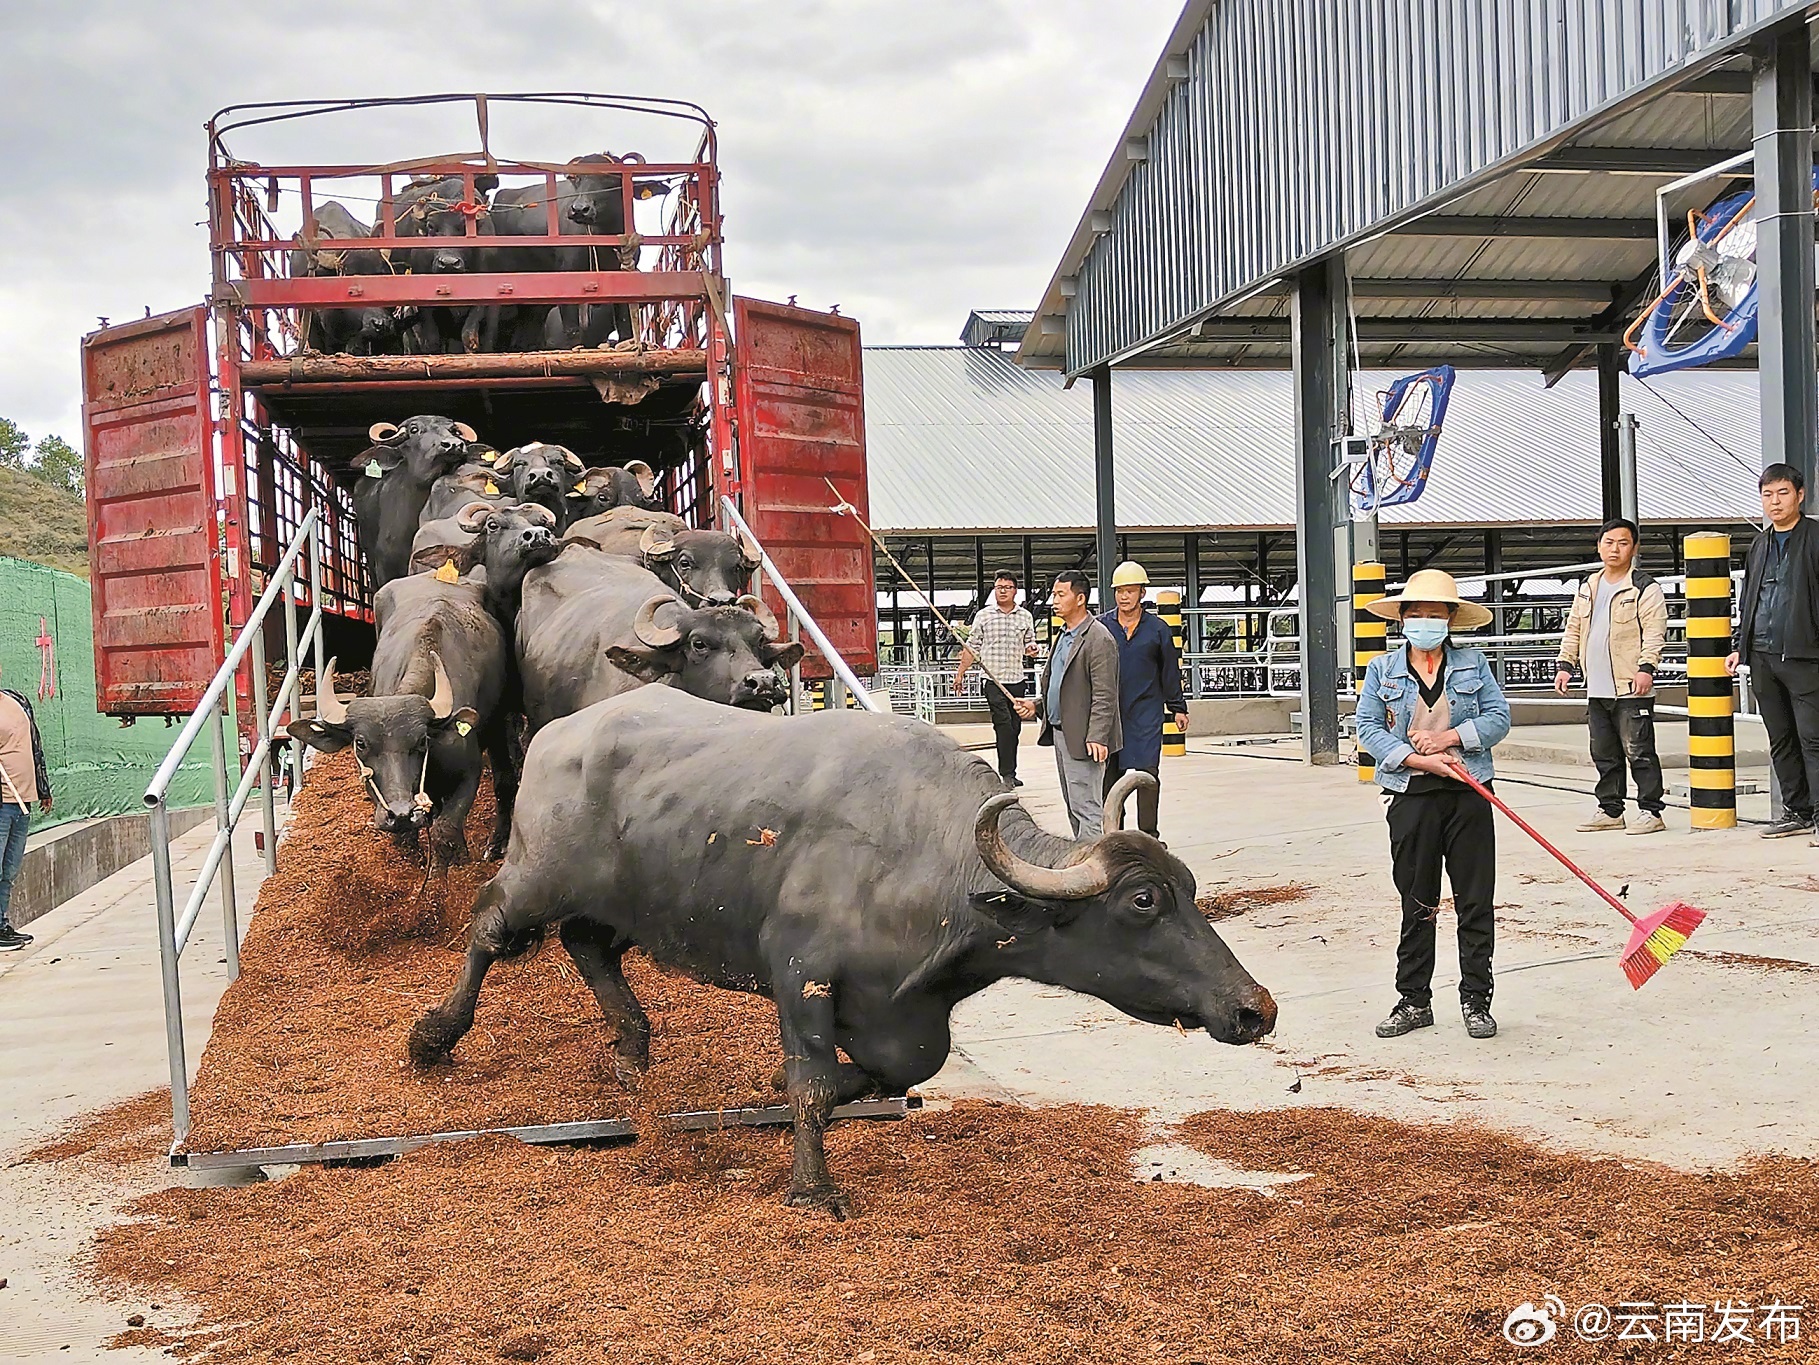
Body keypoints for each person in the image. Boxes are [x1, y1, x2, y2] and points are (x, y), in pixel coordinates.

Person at [1354, 569, 1511, 1041]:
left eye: (1435, 614)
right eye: (1417, 614)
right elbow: (1367, 728)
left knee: (1475, 900)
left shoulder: (1473, 664)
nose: (1426, 622)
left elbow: (1498, 717)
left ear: (1451, 620)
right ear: (1402, 619)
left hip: (1469, 793)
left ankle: (1476, 1001)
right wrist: (1419, 761)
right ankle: (1414, 999)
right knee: (1417, 901)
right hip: (1412, 796)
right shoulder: (1383, 669)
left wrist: (1449, 739)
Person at [1553, 518, 1669, 835]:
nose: (1614, 549)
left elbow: (1655, 633)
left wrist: (1647, 668)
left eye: (1622, 542)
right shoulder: (1588, 587)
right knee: (1604, 753)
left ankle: (1651, 811)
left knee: (1639, 751)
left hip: (1631, 686)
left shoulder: (1645, 587)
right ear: (1599, 546)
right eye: (1608, 542)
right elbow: (1574, 629)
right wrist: (1565, 664)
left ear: (1634, 548)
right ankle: (1610, 809)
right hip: (1598, 687)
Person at [1726, 462, 1819, 843]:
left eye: (1782, 493)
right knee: (1781, 738)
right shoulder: (1760, 543)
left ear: (1800, 495)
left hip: (1804, 654)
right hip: (1762, 654)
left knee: (1813, 738)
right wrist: (1739, 645)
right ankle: (1795, 810)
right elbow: (1750, 598)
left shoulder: (1815, 537)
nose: (1775, 502)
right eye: (1767, 494)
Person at [1014, 570, 1121, 838]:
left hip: (1085, 738)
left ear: (1080, 598)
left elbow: (1105, 694)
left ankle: (1094, 869)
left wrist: (1097, 736)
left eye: (1061, 594)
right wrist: (1038, 706)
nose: (1054, 600)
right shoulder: (1064, 634)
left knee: (1087, 808)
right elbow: (1063, 684)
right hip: (1062, 732)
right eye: (1054, 594)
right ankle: (1081, 859)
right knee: (1074, 806)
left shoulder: (1098, 638)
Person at [1097, 560, 1189, 840]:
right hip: (1111, 713)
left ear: (1142, 593)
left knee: (1148, 774)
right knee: (1110, 778)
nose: (1124, 597)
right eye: (1120, 591)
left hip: (1147, 711)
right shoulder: (1102, 626)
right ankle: (1114, 836)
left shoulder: (1158, 629)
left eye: (1130, 591)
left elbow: (1170, 670)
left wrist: (1177, 707)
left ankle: (1149, 836)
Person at [952, 569, 1039, 787]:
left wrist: (1032, 649)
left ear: (1015, 591)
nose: (1002, 592)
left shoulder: (1025, 616)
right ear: (994, 590)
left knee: (1015, 727)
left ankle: (1011, 771)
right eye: (999, 588)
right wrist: (960, 673)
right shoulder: (984, 615)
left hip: (1016, 679)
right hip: (992, 680)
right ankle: (1006, 774)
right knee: (1003, 724)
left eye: (1007, 588)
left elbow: (1029, 643)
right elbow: (971, 647)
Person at [0, 660, 54, 952]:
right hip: (2, 804)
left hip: (23, 802)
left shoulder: (16, 699)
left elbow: (35, 746)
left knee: (9, 870)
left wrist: (42, 788)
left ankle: (1, 926)